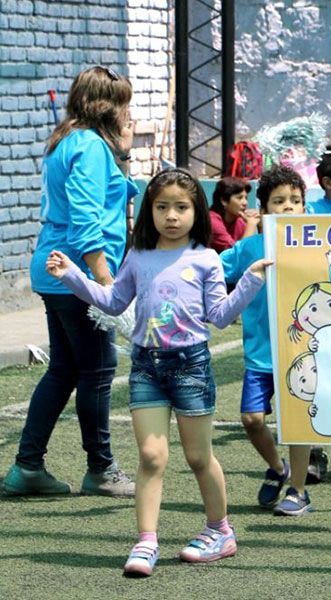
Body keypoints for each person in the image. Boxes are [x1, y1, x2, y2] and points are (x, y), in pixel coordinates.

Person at [46, 168, 271, 576]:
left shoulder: (206, 259)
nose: (171, 215)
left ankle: (220, 530)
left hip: (192, 367)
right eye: (162, 206)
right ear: (149, 211)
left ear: (196, 211)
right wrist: (73, 276)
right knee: (151, 456)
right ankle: (146, 540)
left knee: (199, 457)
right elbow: (113, 302)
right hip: (146, 366)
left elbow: (220, 316)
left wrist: (251, 281)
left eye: (181, 207)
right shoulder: (138, 256)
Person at [2, 66, 137, 498]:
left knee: (64, 370)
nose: (128, 112)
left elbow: (99, 202)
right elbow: (86, 223)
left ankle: (27, 467)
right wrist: (106, 287)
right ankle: (101, 470)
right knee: (98, 371)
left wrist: (125, 153)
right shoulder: (90, 147)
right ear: (106, 106)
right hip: (75, 273)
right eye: (123, 104)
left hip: (56, 269)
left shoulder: (71, 142)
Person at [221, 164, 319, 513]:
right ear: (263, 210)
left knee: (296, 423)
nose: (288, 207)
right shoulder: (249, 249)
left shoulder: (318, 245)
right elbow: (213, 268)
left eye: (295, 200)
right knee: (252, 419)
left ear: (305, 207)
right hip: (261, 355)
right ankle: (279, 469)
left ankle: (298, 491)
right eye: (279, 201)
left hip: (303, 355)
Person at [208, 176, 259, 253]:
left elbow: (252, 253)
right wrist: (251, 224)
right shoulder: (212, 221)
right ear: (224, 200)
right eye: (239, 198)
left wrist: (261, 225)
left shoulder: (240, 222)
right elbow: (236, 254)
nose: (245, 203)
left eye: (246, 198)